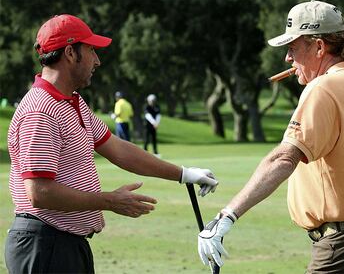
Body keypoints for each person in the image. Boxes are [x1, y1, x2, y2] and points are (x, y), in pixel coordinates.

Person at [197, 0, 344, 273]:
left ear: (319, 47)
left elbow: (284, 159)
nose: (288, 58)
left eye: (293, 48)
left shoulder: (322, 87)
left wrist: (227, 215)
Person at [5, 14, 218, 274]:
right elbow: (39, 192)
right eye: (91, 49)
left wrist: (183, 174)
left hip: (64, 244)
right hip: (44, 246)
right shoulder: (40, 111)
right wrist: (108, 201)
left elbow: (117, 149)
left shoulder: (72, 102)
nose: (97, 60)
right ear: (71, 53)